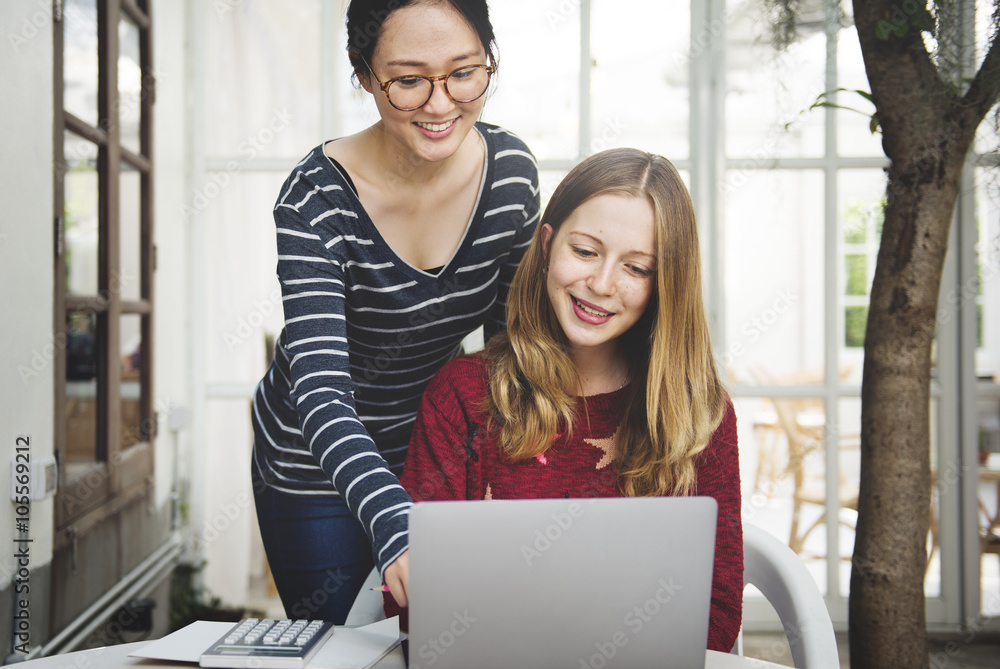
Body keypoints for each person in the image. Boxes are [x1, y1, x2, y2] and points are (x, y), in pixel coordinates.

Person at [251, 0, 539, 624]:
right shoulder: (316, 198)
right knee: (342, 646)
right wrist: (396, 527)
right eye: (408, 80)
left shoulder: (511, 178)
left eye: (465, 72)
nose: (440, 105)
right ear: (363, 74)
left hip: (431, 450)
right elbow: (321, 391)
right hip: (313, 463)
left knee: (445, 643)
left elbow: (512, 353)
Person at [390, 147, 742, 651]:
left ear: (665, 284)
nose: (601, 284)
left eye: (637, 268)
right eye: (585, 251)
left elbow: (718, 614)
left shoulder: (700, 414)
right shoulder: (463, 396)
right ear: (546, 245)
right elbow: (409, 603)